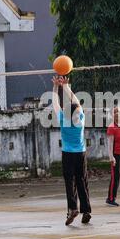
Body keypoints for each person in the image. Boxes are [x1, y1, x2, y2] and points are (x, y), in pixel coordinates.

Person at [52, 76, 92, 225]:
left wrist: (56, 87)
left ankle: (73, 208)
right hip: (80, 154)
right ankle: (86, 210)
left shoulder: (63, 119)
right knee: (82, 181)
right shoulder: (80, 119)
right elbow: (76, 101)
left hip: (68, 154)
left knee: (70, 182)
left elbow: (55, 103)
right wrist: (66, 87)